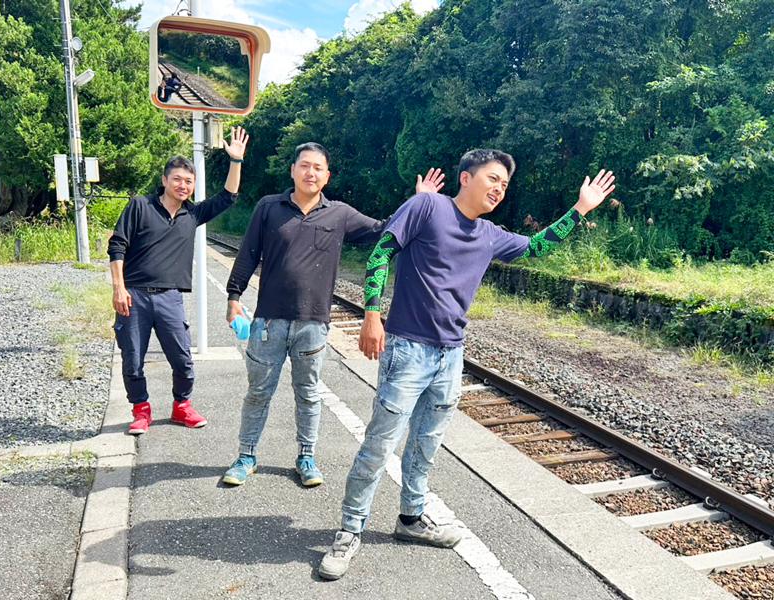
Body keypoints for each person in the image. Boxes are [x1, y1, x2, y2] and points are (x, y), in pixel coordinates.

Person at [318, 149, 615, 580]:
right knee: (380, 444)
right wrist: (371, 314)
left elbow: (536, 246)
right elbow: (382, 252)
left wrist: (580, 209)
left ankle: (411, 519)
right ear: (466, 178)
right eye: (493, 179)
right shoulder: (427, 206)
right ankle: (349, 530)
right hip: (408, 349)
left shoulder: (490, 235)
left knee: (426, 444)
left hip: (451, 355)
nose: (499, 189)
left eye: (504, 185)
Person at [223, 142, 445, 488]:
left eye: (318, 168)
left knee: (308, 394)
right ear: (293, 170)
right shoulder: (269, 207)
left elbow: (383, 228)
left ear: (327, 176)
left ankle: (306, 457)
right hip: (268, 322)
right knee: (258, 393)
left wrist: (418, 202)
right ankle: (246, 456)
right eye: (304, 165)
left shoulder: (339, 213)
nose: (310, 173)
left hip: (313, 324)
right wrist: (234, 296)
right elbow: (248, 254)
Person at [108, 127, 249, 435]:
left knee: (182, 359)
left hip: (170, 297)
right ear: (165, 180)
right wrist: (118, 287)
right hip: (134, 295)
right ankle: (141, 410)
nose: (183, 185)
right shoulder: (140, 206)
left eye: (188, 181)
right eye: (177, 179)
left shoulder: (193, 215)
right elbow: (117, 245)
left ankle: (181, 406)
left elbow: (227, 197)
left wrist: (235, 161)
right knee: (132, 359)